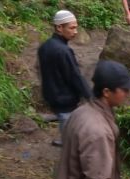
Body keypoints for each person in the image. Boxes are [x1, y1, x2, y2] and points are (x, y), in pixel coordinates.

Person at [38, 10, 92, 147]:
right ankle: (69, 148)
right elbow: (75, 76)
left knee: (65, 120)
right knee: (68, 123)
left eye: (76, 27)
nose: (75, 31)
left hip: (51, 93)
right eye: (72, 27)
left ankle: (66, 140)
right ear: (59, 28)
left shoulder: (44, 47)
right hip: (64, 97)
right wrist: (90, 96)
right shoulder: (64, 51)